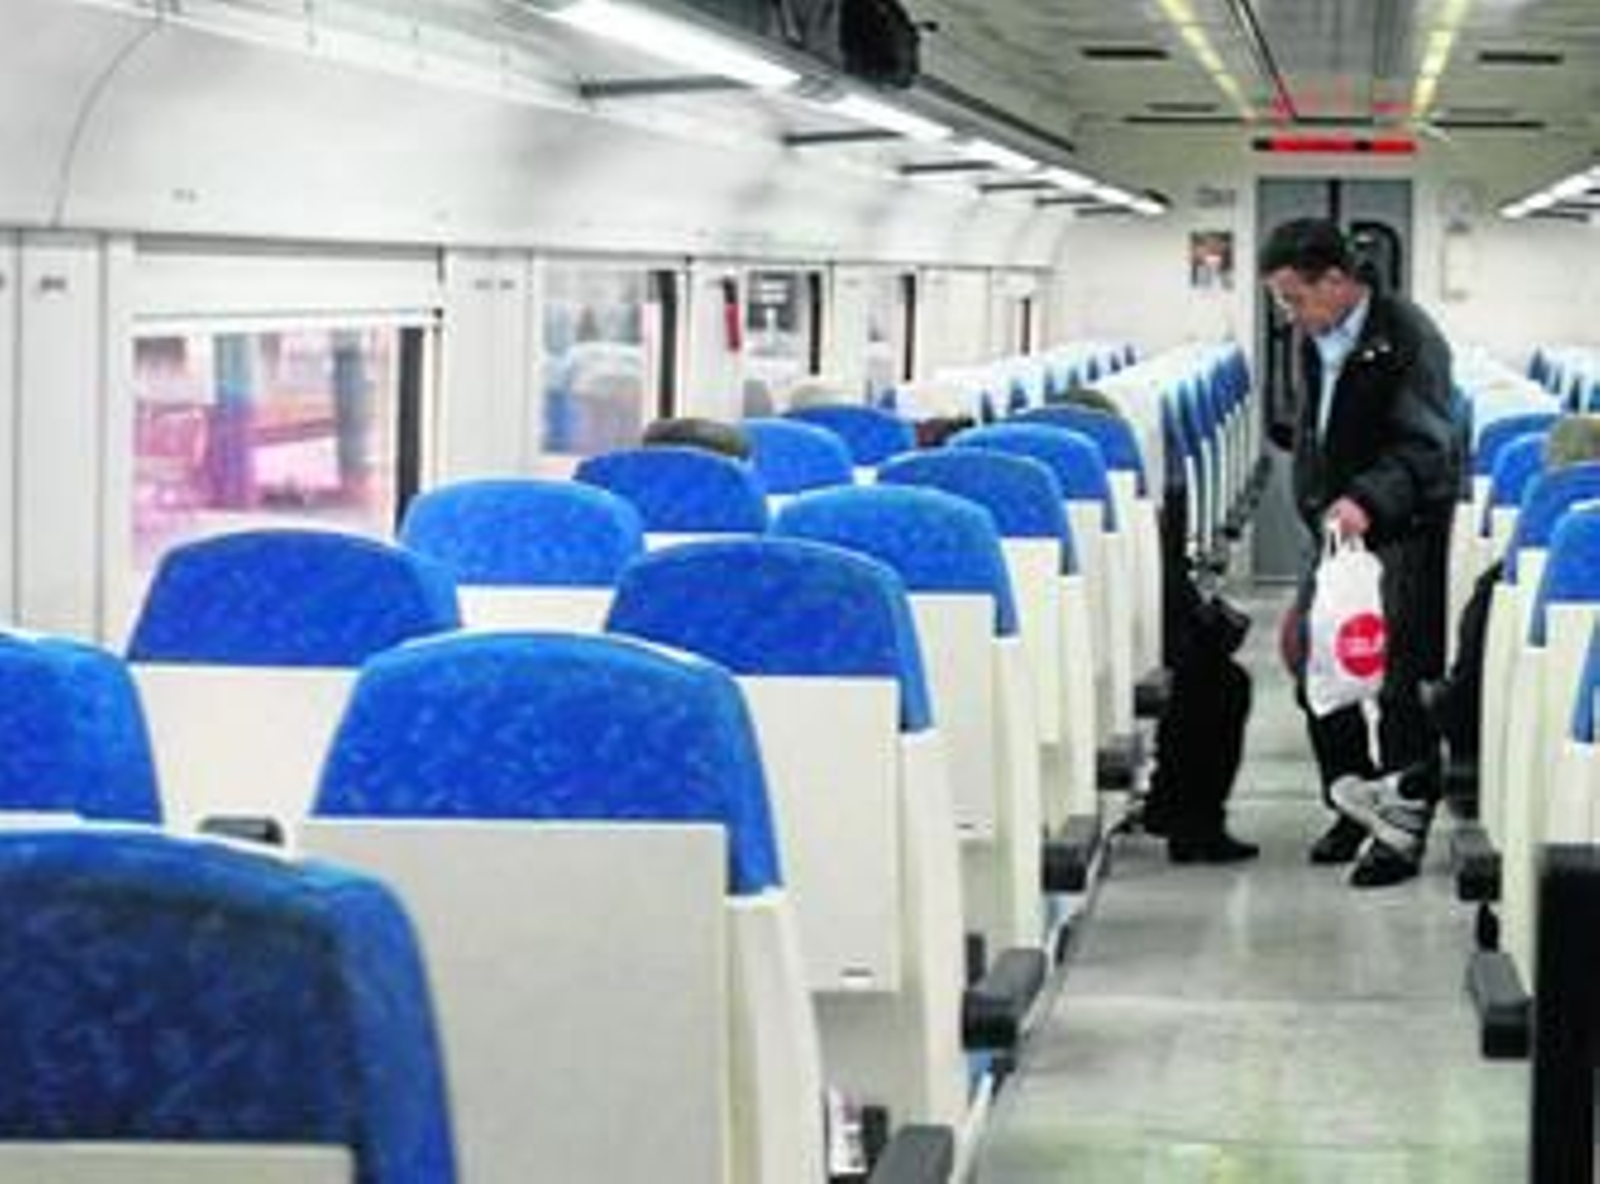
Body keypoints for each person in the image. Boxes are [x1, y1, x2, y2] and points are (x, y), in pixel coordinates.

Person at [1260, 218, 1458, 888]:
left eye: (1295, 298)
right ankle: (1349, 804)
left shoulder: (1409, 339)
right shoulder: (1310, 337)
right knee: (1320, 673)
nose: (1289, 314)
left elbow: (1428, 448)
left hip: (1397, 534)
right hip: (1334, 534)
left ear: (1337, 281)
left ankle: (1400, 837)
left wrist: (1368, 500)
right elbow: (1313, 431)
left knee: (1393, 683)